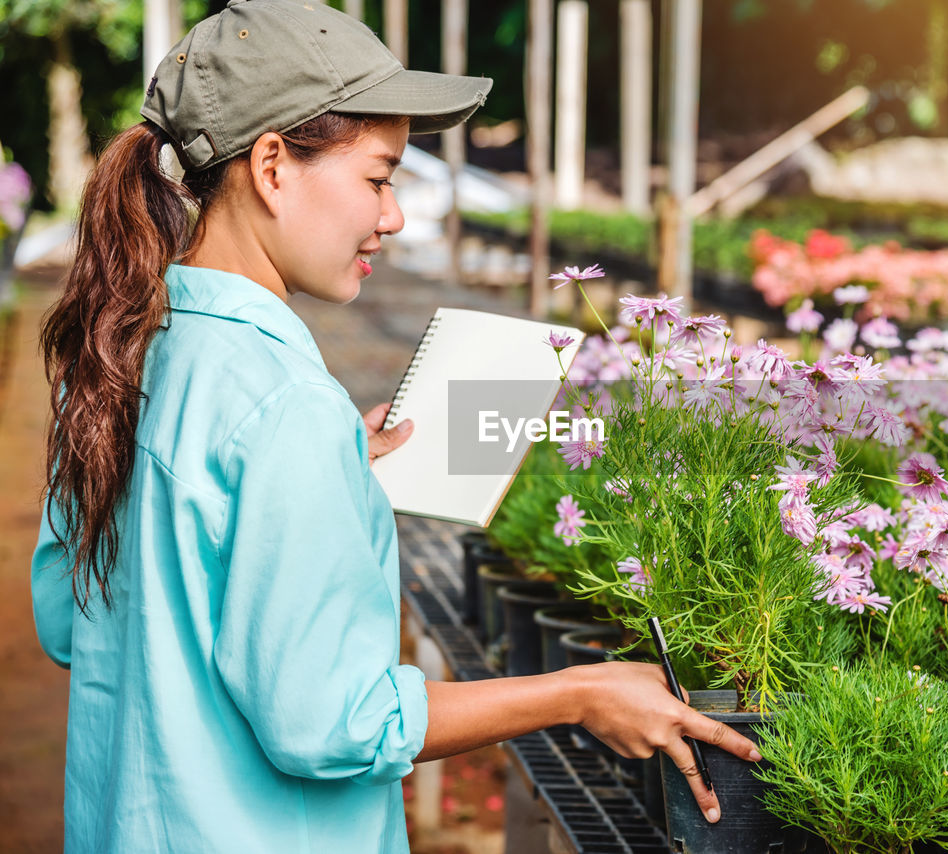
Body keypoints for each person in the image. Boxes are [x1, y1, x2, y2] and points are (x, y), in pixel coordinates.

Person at [29, 1, 759, 851]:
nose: (395, 215)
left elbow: (66, 617)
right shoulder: (285, 408)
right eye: (379, 177)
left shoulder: (118, 358)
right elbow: (334, 722)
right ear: (271, 164)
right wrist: (579, 693)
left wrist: (327, 476)